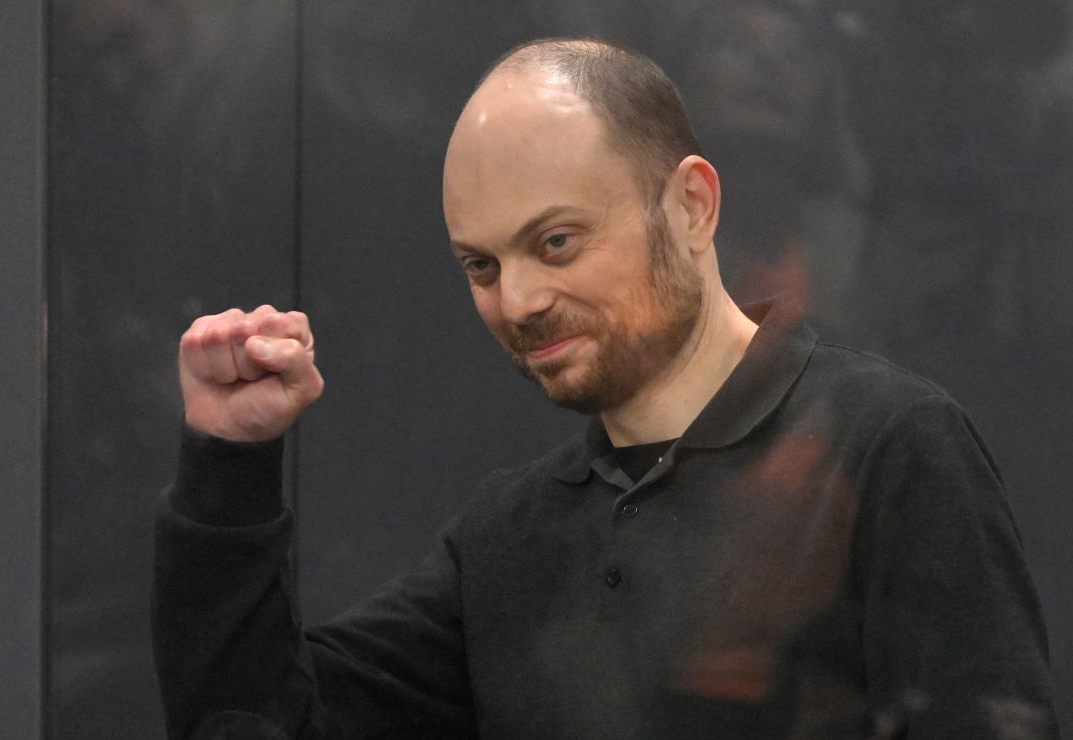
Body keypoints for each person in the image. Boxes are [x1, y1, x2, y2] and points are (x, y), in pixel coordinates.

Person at [153, 39, 1057, 739]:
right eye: (480, 263)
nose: (517, 301)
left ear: (692, 206)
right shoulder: (509, 537)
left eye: (556, 242)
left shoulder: (891, 446)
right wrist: (228, 464)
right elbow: (258, 722)